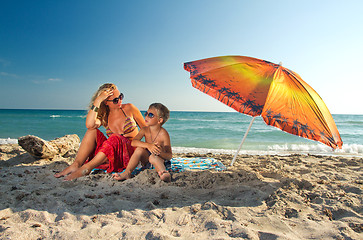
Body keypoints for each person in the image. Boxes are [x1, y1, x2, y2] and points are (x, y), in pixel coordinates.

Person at [54, 83, 146, 180]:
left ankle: (87, 168)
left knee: (115, 137)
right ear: (106, 102)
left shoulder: (129, 108)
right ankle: (76, 164)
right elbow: (89, 125)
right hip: (115, 155)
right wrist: (97, 101)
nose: (120, 100)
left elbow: (147, 130)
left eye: (121, 96)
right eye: (115, 100)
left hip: (131, 154)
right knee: (92, 131)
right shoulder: (104, 116)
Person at [113, 103, 172, 182]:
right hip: (147, 163)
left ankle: (163, 173)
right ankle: (127, 172)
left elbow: (169, 155)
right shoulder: (144, 130)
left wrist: (159, 152)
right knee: (139, 149)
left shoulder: (163, 134)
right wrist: (148, 145)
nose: (146, 116)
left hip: (160, 161)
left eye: (150, 115)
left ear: (160, 120)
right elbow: (133, 142)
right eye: (146, 114)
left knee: (153, 157)